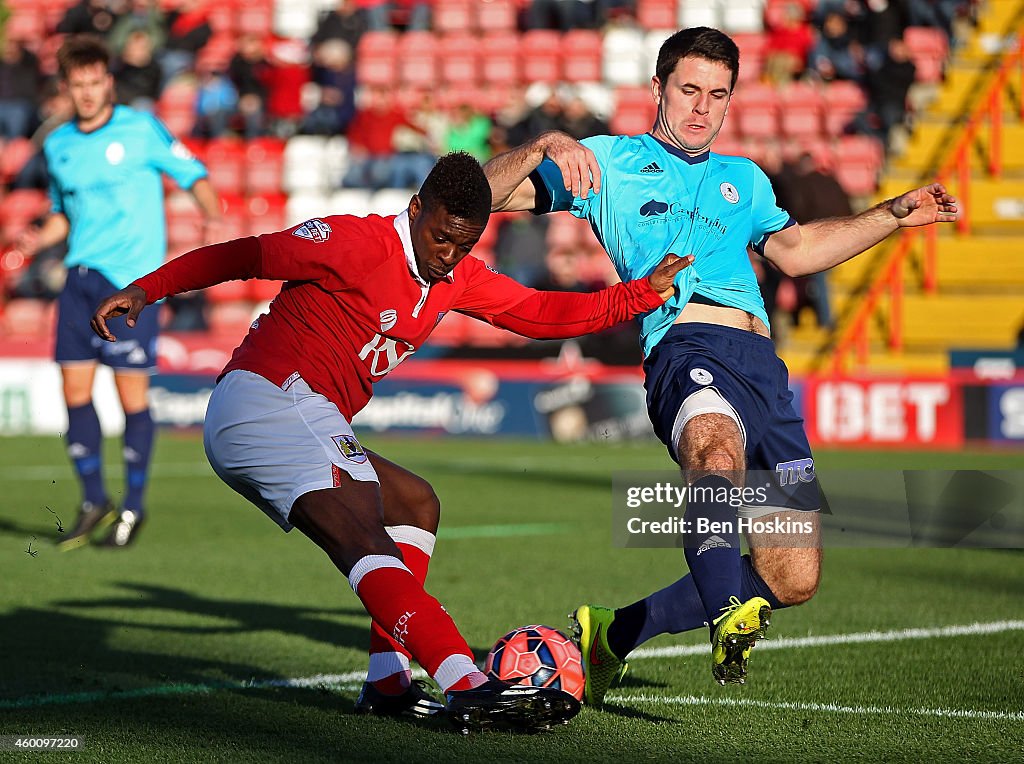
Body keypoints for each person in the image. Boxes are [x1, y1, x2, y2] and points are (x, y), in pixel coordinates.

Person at [89, 152, 693, 729]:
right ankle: (465, 682)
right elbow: (247, 254)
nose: (449, 255)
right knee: (360, 527)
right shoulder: (355, 242)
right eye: (441, 238)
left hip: (304, 412)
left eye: (464, 244)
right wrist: (148, 289)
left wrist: (641, 295)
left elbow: (537, 313)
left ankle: (388, 680)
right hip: (269, 397)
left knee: (413, 503)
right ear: (415, 209)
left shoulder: (455, 275)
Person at [483, 26, 960, 703]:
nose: (701, 108)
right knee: (714, 452)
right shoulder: (607, 161)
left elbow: (793, 253)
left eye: (717, 94)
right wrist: (537, 147)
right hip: (685, 346)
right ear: (657, 88)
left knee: (792, 577)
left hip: (764, 369)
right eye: (688, 90)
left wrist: (889, 215)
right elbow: (471, 197)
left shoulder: (746, 178)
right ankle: (725, 611)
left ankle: (610, 636)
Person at [13, 36, 222, 550]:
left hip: (130, 285)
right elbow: (65, 212)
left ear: (108, 80)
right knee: (75, 395)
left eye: (94, 82)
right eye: (77, 85)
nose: (87, 93)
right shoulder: (59, 144)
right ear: (67, 88)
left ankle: (132, 505)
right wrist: (39, 235)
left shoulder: (140, 129)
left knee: (131, 397)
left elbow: (193, 173)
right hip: (80, 280)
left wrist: (214, 219)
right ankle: (92, 500)